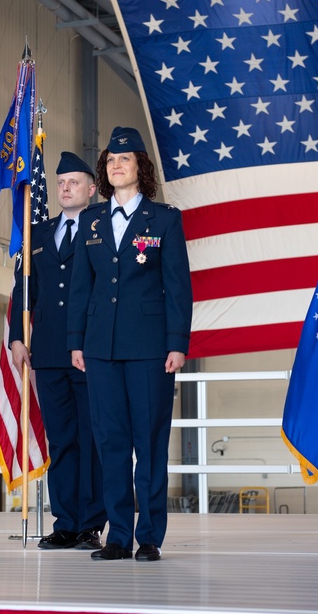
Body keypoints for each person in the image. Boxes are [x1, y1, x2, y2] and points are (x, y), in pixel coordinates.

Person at [67, 126, 192, 562]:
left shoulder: (165, 219)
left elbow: (178, 287)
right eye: (111, 160)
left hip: (150, 348)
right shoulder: (92, 220)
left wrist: (177, 342)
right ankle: (118, 534)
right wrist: (75, 341)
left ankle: (150, 535)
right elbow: (81, 287)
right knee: (111, 443)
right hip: (100, 347)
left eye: (125, 159)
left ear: (141, 168)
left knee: (150, 442)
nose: (116, 165)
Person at [10, 152, 108, 551]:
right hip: (48, 352)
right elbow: (24, 289)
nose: (66, 188)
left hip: (91, 348)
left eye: (74, 182)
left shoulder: (105, 228)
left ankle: (91, 524)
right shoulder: (40, 234)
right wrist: (18, 335)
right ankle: (66, 522)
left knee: (93, 439)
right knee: (62, 441)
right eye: (61, 182)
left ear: (92, 189)